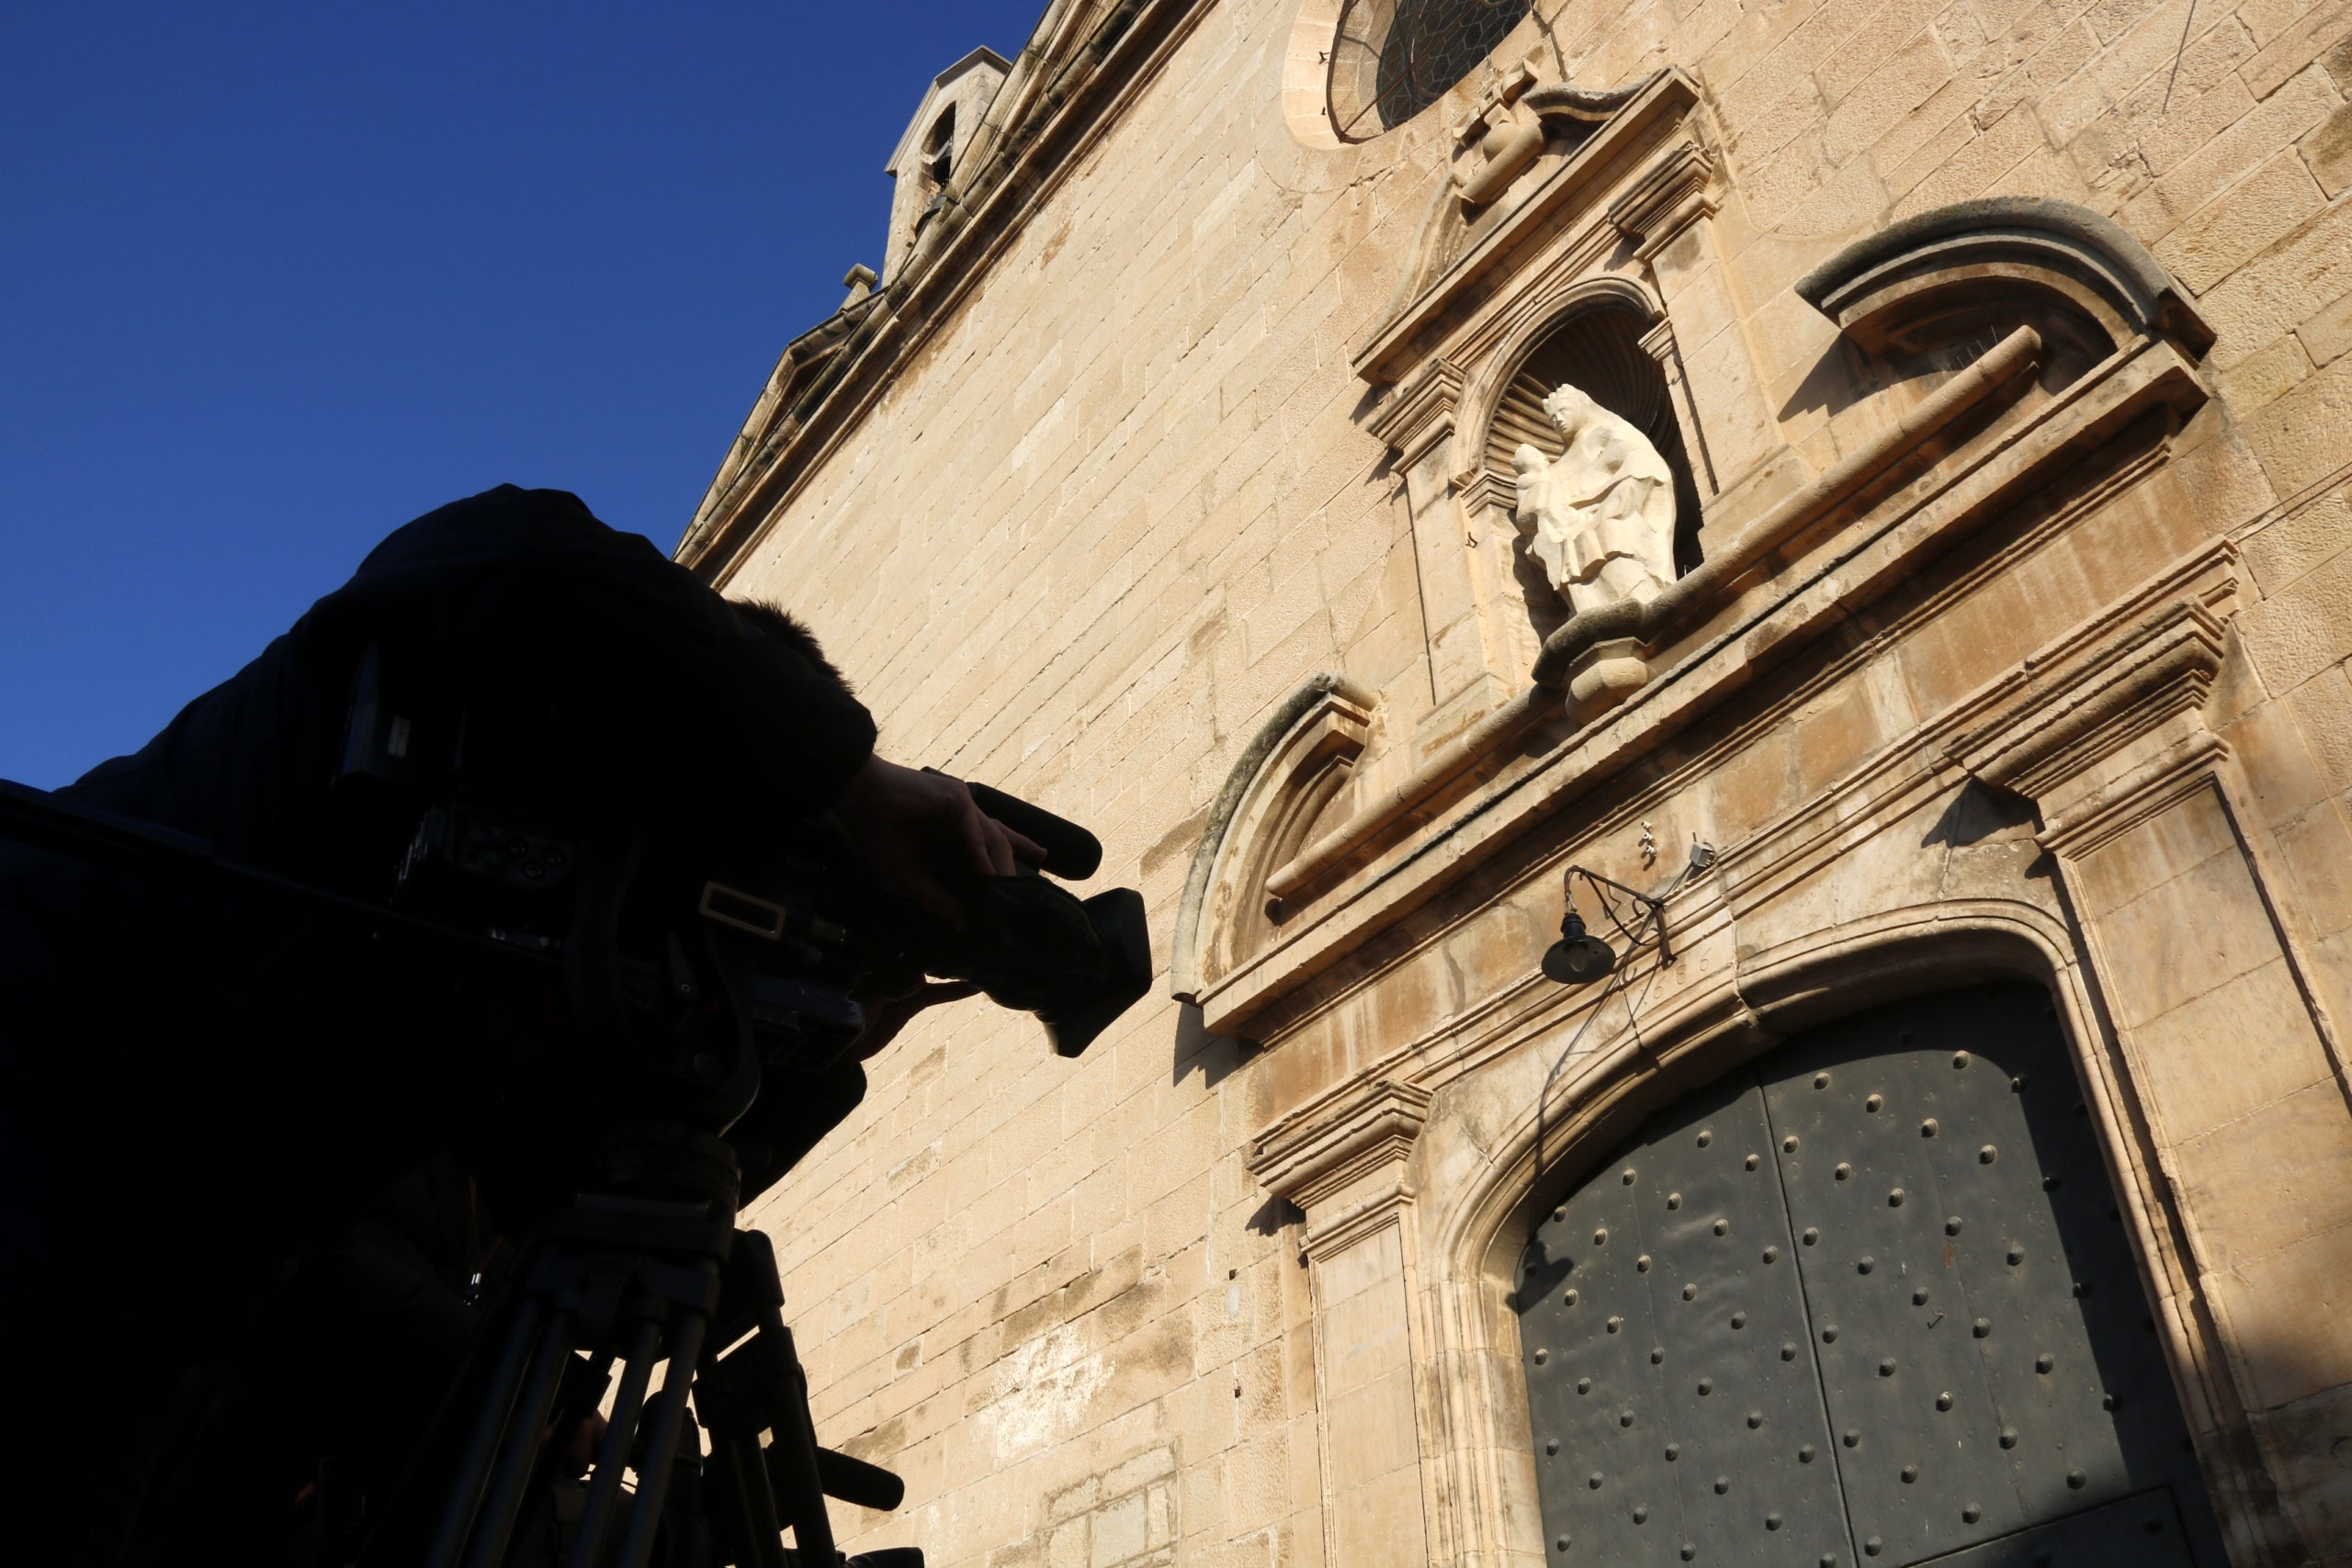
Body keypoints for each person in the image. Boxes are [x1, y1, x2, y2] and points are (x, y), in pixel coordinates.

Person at [0, 484, 1029, 1563]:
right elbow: (512, 552)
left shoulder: (543, 954)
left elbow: (592, 1185)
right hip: (39, 1067)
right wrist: (852, 776)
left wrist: (833, 1036)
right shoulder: (473, 652)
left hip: (152, 1302)